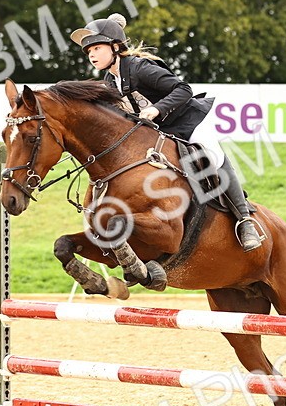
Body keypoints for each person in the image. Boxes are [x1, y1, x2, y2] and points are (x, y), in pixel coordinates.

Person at [69, 13, 263, 252]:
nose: (91, 55)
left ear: (116, 47)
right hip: (162, 132)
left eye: (97, 48)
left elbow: (183, 89)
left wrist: (156, 109)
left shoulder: (141, 68)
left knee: (213, 155)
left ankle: (245, 221)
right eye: (88, 51)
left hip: (188, 120)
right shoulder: (111, 81)